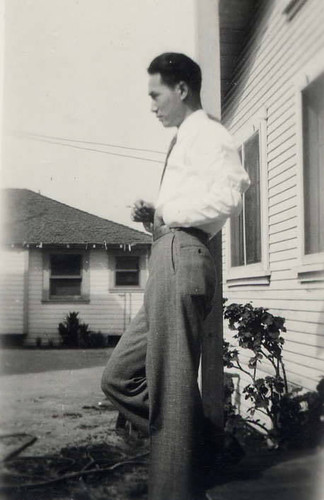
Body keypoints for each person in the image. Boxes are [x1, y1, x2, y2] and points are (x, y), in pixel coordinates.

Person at [101, 52, 250, 500]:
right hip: (168, 250)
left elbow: (230, 196)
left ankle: (177, 488)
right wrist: (157, 216)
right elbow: (189, 205)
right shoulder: (186, 138)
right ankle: (204, 443)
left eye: (155, 94)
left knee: (167, 387)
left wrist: (168, 212)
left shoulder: (208, 134)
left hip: (182, 253)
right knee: (120, 377)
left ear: (181, 89)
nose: (152, 105)